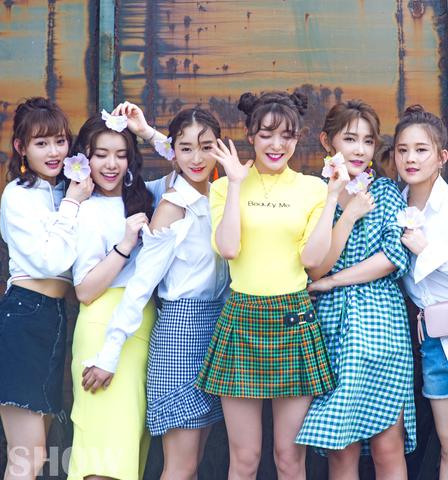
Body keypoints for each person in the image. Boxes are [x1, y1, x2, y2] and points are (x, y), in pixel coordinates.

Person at [196, 91, 346, 479]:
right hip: (241, 318)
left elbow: (313, 260)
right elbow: (229, 248)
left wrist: (332, 198)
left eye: (287, 136)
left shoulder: (312, 188)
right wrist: (234, 183)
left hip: (293, 318)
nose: (276, 145)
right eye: (266, 135)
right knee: (244, 459)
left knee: (288, 458)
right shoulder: (223, 186)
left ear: (298, 138)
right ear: (250, 135)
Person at [82, 106, 229, 480]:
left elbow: (188, 155)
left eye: (206, 147)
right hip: (181, 334)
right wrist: (109, 353)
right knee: (180, 467)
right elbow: (140, 285)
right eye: (185, 149)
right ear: (174, 151)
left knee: (194, 463)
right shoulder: (172, 204)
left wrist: (148, 132)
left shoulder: (219, 193)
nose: (196, 158)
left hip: (217, 332)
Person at [0, 97, 93, 480]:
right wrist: (72, 204)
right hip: (22, 320)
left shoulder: (69, 193)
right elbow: (50, 261)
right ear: (21, 147)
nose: (54, 152)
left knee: (37, 453)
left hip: (53, 322)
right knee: (29, 456)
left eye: (60, 141)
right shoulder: (19, 195)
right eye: (41, 143)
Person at [296, 100, 416, 480]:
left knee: (387, 446)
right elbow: (316, 265)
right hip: (332, 327)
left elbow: (392, 256)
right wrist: (346, 214)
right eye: (350, 139)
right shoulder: (315, 193)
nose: (360, 150)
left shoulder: (385, 191)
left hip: (382, 326)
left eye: (368, 140)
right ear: (327, 141)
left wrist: (333, 281)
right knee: (341, 447)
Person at [66, 113, 156, 480]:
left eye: (121, 155)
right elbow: (84, 290)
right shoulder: (86, 209)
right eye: (100, 154)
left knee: (127, 447)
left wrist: (145, 131)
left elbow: (189, 160)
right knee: (102, 453)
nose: (111, 164)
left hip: (142, 327)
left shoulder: (147, 196)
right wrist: (125, 244)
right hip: (101, 326)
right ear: (84, 158)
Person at [394, 105, 448, 479]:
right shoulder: (392, 206)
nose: (410, 158)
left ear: (442, 157)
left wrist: (425, 249)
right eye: (402, 150)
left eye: (421, 149)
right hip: (429, 339)